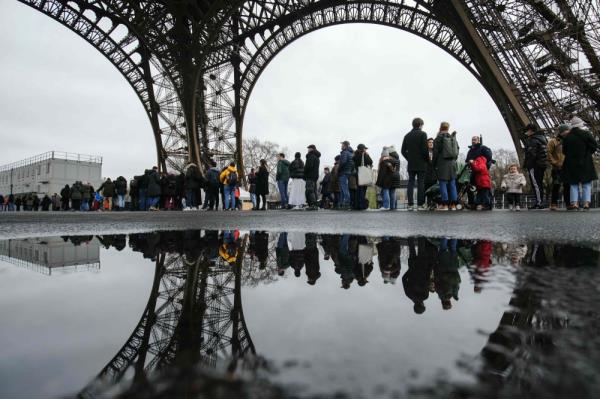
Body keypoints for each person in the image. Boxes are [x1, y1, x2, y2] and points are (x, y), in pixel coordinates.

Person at [562, 116, 598, 211]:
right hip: (585, 161)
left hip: (571, 163)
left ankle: (574, 203)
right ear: (580, 125)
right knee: (586, 184)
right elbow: (595, 145)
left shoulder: (567, 137)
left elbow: (564, 151)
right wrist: (588, 153)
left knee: (573, 184)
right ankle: (586, 203)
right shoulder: (586, 134)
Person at [401, 117, 429, 210]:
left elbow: (402, 151)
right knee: (421, 183)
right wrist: (427, 160)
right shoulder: (423, 134)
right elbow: (425, 150)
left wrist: (409, 158)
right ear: (421, 125)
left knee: (411, 183)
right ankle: (420, 204)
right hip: (421, 163)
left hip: (411, 163)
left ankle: (410, 204)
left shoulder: (407, 135)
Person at [432, 123, 459, 211]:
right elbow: (457, 149)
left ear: (440, 128)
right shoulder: (452, 137)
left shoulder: (438, 138)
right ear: (448, 128)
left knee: (442, 184)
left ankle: (445, 205)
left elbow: (435, 153)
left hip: (442, 163)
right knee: (452, 184)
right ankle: (453, 205)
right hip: (452, 163)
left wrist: (434, 163)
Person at [523, 123, 548, 209]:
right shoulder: (542, 139)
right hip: (542, 164)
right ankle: (540, 201)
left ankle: (539, 202)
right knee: (539, 183)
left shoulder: (532, 140)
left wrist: (527, 164)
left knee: (536, 184)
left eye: (527, 131)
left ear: (530, 131)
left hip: (534, 165)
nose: (526, 133)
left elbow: (532, 154)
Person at [465, 136, 493, 208]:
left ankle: (487, 204)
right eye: (472, 140)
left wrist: (478, 164)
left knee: (483, 189)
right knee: (471, 187)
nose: (473, 141)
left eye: (475, 140)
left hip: (481, 171)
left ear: (478, 141)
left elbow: (488, 157)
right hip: (473, 171)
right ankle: (473, 203)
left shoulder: (483, 148)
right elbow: (467, 160)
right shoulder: (471, 150)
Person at [548, 124, 571, 210]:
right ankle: (553, 204)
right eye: (565, 131)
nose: (567, 132)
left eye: (568, 131)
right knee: (556, 185)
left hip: (568, 167)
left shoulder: (570, 141)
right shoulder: (552, 141)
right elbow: (549, 153)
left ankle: (568, 204)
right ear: (561, 132)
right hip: (557, 167)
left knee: (567, 185)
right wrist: (555, 163)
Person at [353, 143, 373, 210]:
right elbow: (370, 161)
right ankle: (361, 206)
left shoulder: (355, 155)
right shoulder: (364, 155)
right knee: (363, 190)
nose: (365, 150)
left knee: (358, 190)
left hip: (357, 174)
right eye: (364, 148)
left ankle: (357, 205)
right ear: (362, 149)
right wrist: (367, 154)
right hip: (363, 174)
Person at [304, 144, 321, 211]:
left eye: (309, 148)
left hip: (310, 175)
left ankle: (313, 205)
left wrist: (304, 172)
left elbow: (309, 166)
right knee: (313, 190)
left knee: (309, 190)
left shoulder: (311, 156)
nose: (308, 150)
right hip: (314, 176)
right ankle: (314, 204)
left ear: (312, 149)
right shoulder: (316, 157)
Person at [338, 140, 354, 210]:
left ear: (345, 145)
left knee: (344, 188)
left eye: (342, 145)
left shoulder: (344, 153)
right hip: (348, 172)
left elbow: (343, 162)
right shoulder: (351, 153)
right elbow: (352, 164)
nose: (341, 146)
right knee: (342, 188)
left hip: (343, 172)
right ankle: (341, 203)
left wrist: (339, 169)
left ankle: (346, 203)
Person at [424, 138, 437, 206]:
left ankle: (432, 203)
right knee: (425, 190)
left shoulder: (436, 152)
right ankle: (424, 204)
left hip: (434, 175)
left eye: (432, 142)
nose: (431, 143)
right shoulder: (424, 152)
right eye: (429, 142)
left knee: (433, 190)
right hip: (425, 174)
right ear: (427, 143)